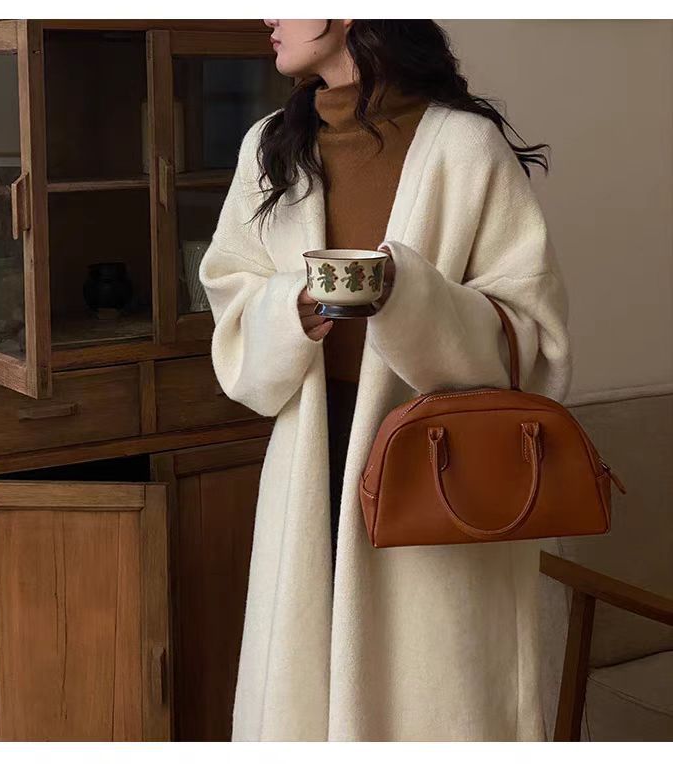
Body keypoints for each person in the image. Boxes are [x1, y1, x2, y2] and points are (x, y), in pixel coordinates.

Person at [199, 19, 572, 742]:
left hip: (441, 475)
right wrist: (291, 308)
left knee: (435, 700)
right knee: (305, 695)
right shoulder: (270, 145)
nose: (265, 16)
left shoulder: (466, 146)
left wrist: (410, 296)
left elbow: (534, 340)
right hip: (311, 460)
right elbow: (231, 295)